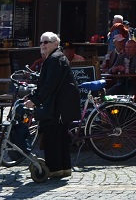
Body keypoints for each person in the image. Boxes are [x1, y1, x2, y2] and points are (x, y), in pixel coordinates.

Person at [24, 32, 80, 180]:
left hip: (58, 105)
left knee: (53, 137)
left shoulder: (55, 59)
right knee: (60, 137)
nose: (43, 44)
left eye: (46, 42)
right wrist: (33, 96)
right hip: (61, 104)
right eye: (41, 42)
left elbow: (50, 85)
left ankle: (55, 170)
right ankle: (64, 169)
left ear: (55, 44)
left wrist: (35, 100)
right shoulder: (56, 57)